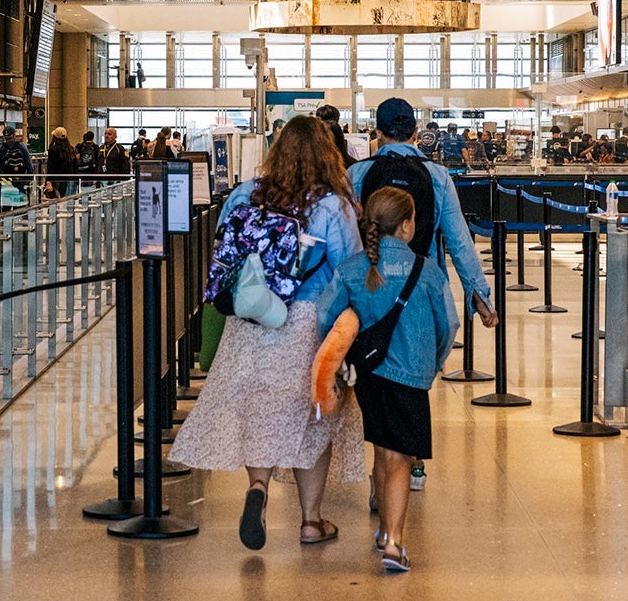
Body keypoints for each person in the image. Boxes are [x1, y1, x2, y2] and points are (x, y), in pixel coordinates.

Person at [170, 115, 365, 551]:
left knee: (259, 414)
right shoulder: (332, 205)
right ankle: (311, 521)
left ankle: (258, 488)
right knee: (313, 419)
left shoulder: (245, 194)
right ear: (328, 155)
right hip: (307, 324)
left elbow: (225, 252)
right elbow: (350, 270)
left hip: (251, 322)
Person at [350, 98, 496, 497]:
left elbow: (346, 239)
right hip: (421, 289)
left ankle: (382, 471)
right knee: (413, 376)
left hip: (371, 287)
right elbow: (459, 239)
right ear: (416, 133)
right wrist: (479, 294)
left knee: (377, 372)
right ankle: (411, 463)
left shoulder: (359, 173)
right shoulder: (437, 175)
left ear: (377, 133)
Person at [317, 187, 458, 573]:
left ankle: (383, 531)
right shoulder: (426, 270)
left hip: (368, 374)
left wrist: (337, 360)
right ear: (408, 225)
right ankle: (394, 544)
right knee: (399, 458)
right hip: (410, 375)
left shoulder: (351, 269)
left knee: (382, 451)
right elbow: (449, 323)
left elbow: (325, 316)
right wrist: (434, 360)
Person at [46, 127, 78, 196]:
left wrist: (48, 181)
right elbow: (75, 167)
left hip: (57, 179)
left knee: (58, 200)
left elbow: (51, 167)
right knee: (70, 200)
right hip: (71, 180)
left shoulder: (53, 149)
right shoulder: (71, 149)